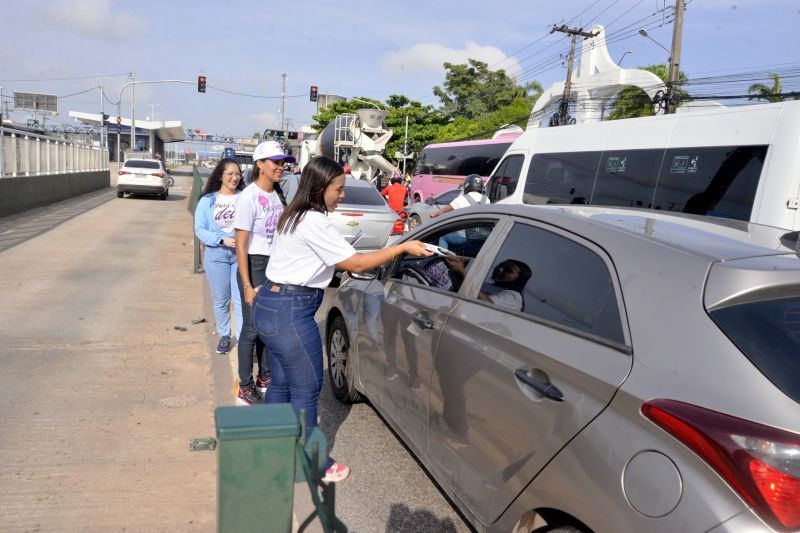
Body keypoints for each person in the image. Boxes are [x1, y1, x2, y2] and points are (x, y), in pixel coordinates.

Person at [252, 156, 432, 482]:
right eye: (338, 189)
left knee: (281, 383)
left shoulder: (294, 214)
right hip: (291, 311)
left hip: (270, 304)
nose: (342, 195)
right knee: (306, 390)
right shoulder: (314, 221)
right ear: (320, 188)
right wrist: (401, 249)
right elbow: (356, 265)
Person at [232, 141, 293, 406]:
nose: (281, 167)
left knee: (268, 326)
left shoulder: (278, 194)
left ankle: (264, 376)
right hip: (254, 265)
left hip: (275, 266)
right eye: (275, 162)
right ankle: (245, 386)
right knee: (251, 329)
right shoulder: (248, 197)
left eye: (283, 163)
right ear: (260, 164)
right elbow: (241, 245)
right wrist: (247, 285)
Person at [194, 158, 244, 354]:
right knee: (221, 299)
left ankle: (243, 340)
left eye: (238, 174)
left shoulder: (245, 198)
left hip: (240, 256)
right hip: (216, 256)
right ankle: (224, 335)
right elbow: (199, 229)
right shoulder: (207, 201)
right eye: (230, 173)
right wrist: (221, 240)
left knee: (240, 300)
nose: (234, 178)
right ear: (221, 175)